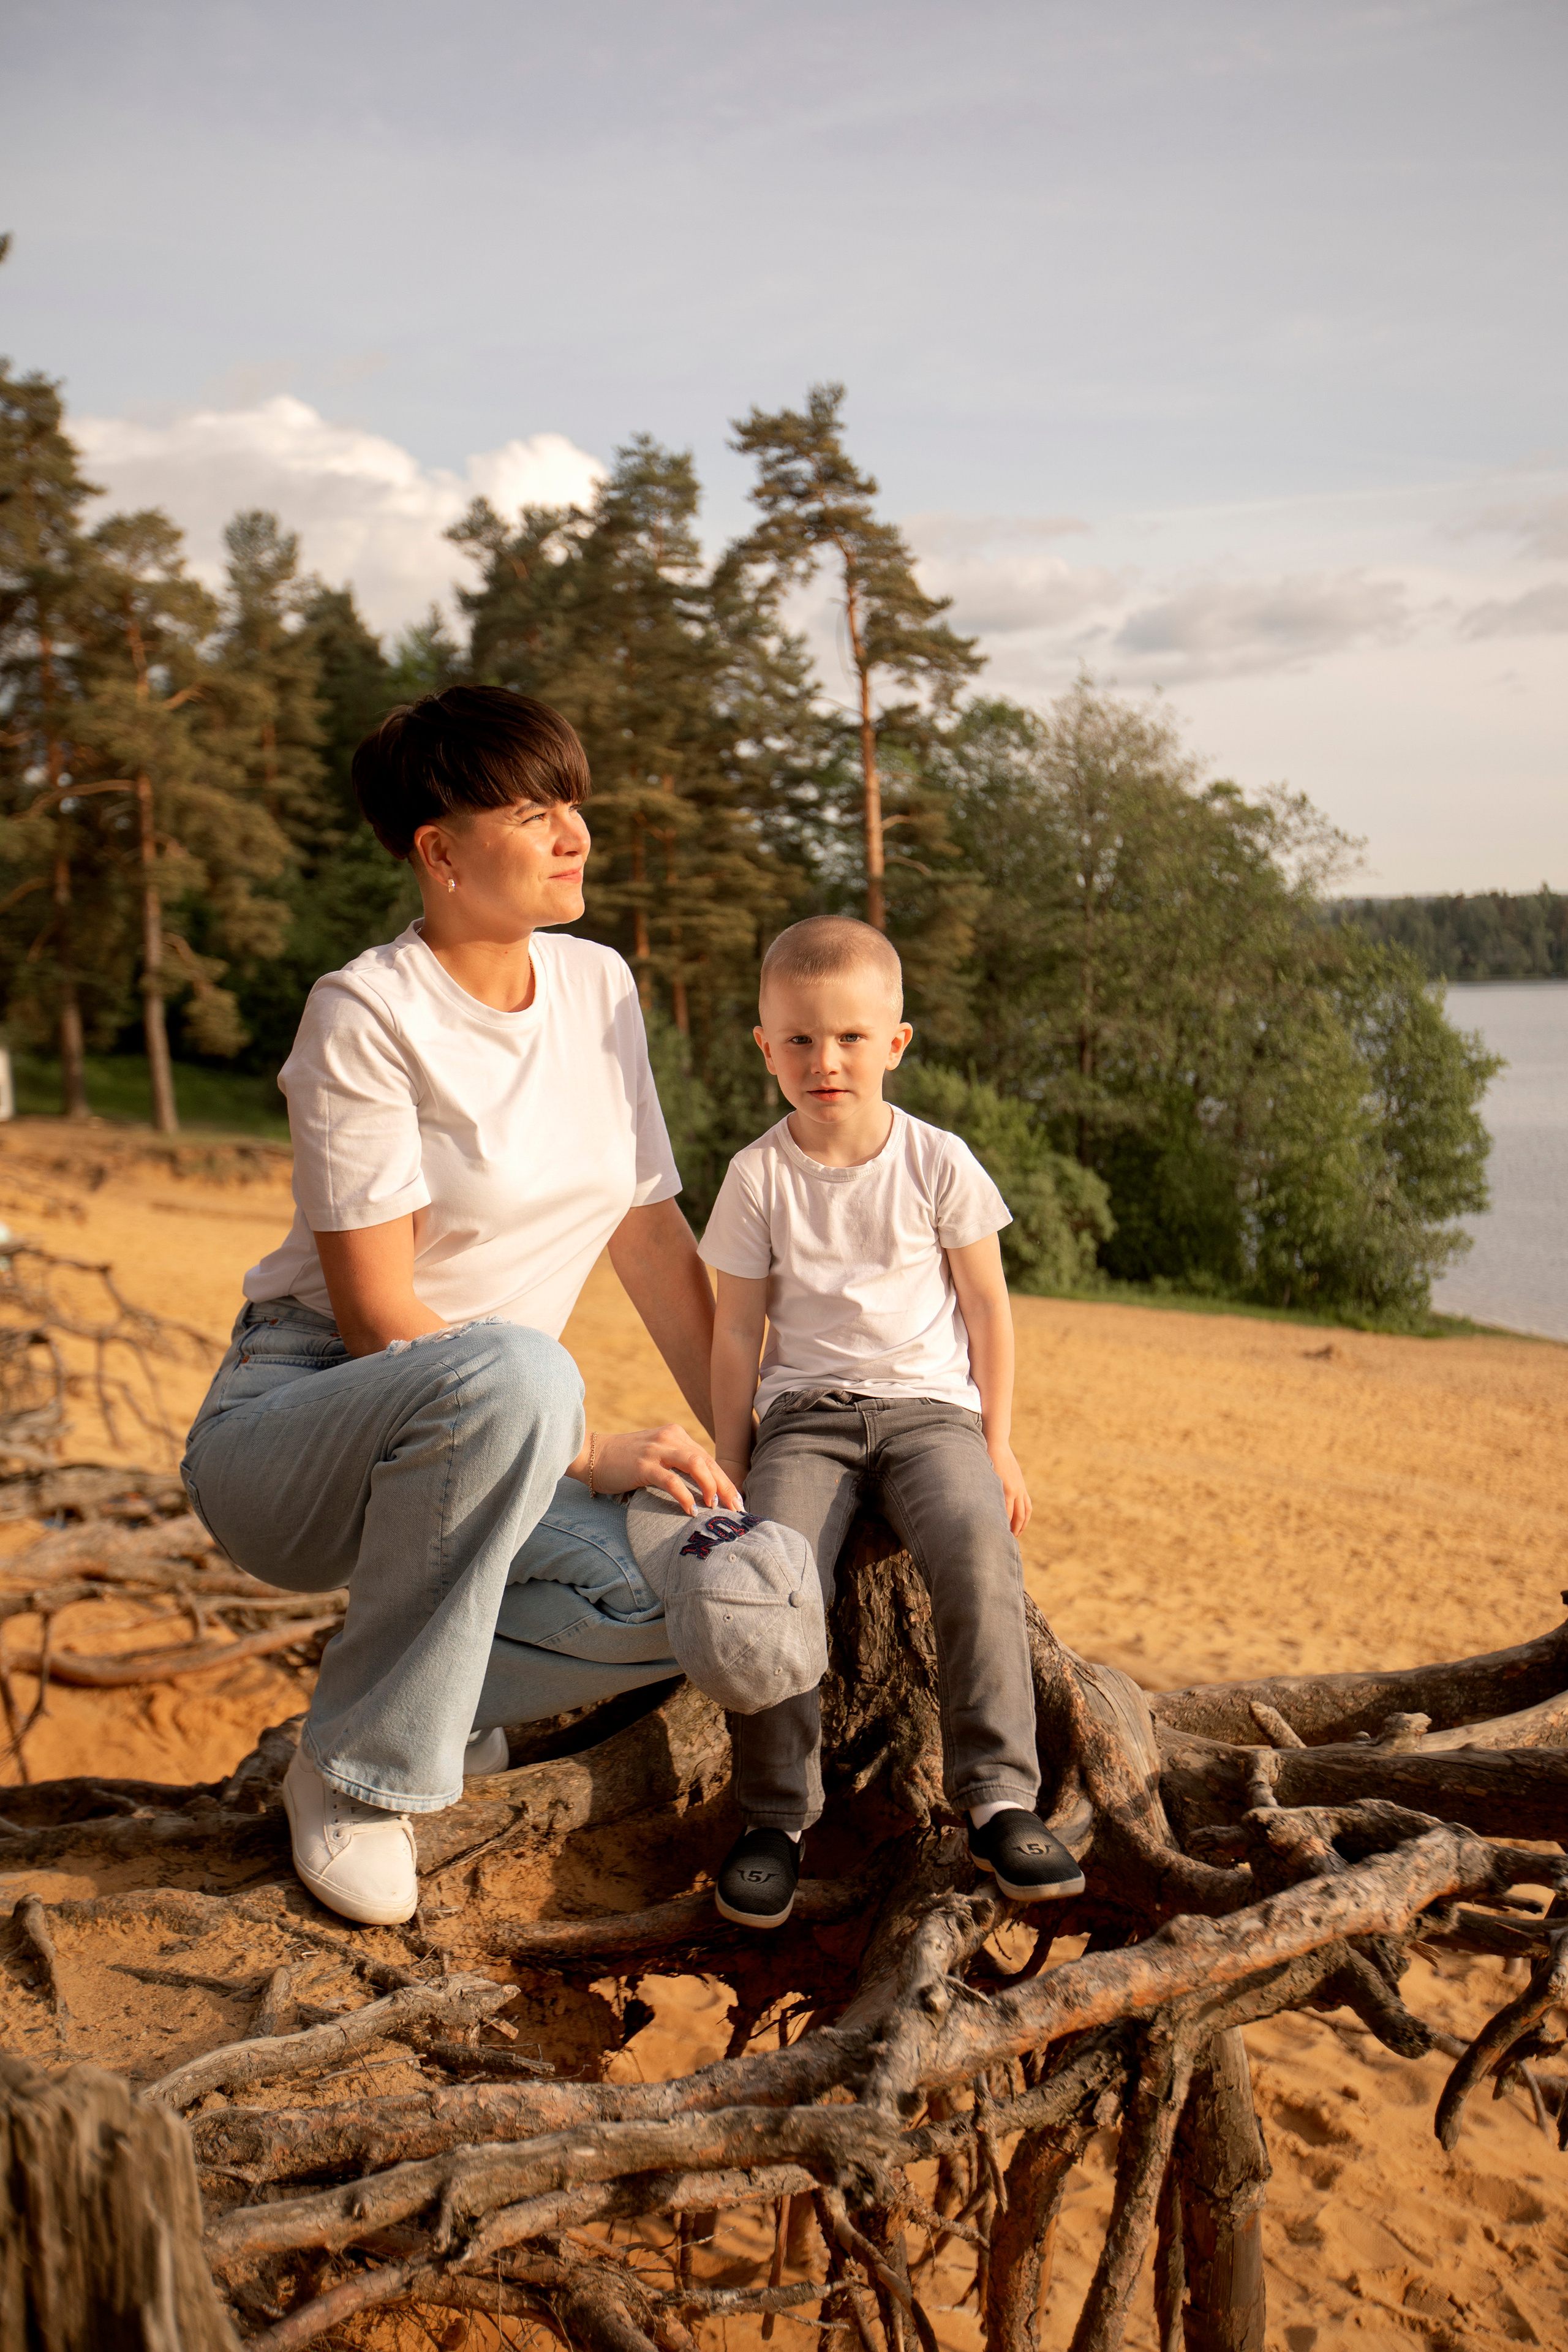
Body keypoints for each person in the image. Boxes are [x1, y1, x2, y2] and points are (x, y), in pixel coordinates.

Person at [180, 687, 740, 1927]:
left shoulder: (597, 989)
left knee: (713, 1593)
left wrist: (753, 1450)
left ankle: (409, 1705)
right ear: (439, 852)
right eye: (533, 812)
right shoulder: (366, 1015)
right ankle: (360, 1774)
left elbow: (648, 1235)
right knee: (525, 1375)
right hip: (305, 1413)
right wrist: (594, 1454)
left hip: (499, 1430)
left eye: (573, 806)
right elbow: (379, 1313)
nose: (571, 834)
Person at [700, 916, 1085, 1928]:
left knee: (976, 1554)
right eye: (798, 1040)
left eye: (850, 1038)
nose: (824, 1061)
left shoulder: (938, 1161)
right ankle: (776, 1817)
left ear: (895, 1043)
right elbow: (737, 1331)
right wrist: (732, 1462)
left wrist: (997, 1442)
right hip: (806, 1420)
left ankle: (1000, 1798)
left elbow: (990, 1310)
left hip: (931, 1416)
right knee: (771, 1580)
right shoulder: (758, 1176)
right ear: (766, 1046)